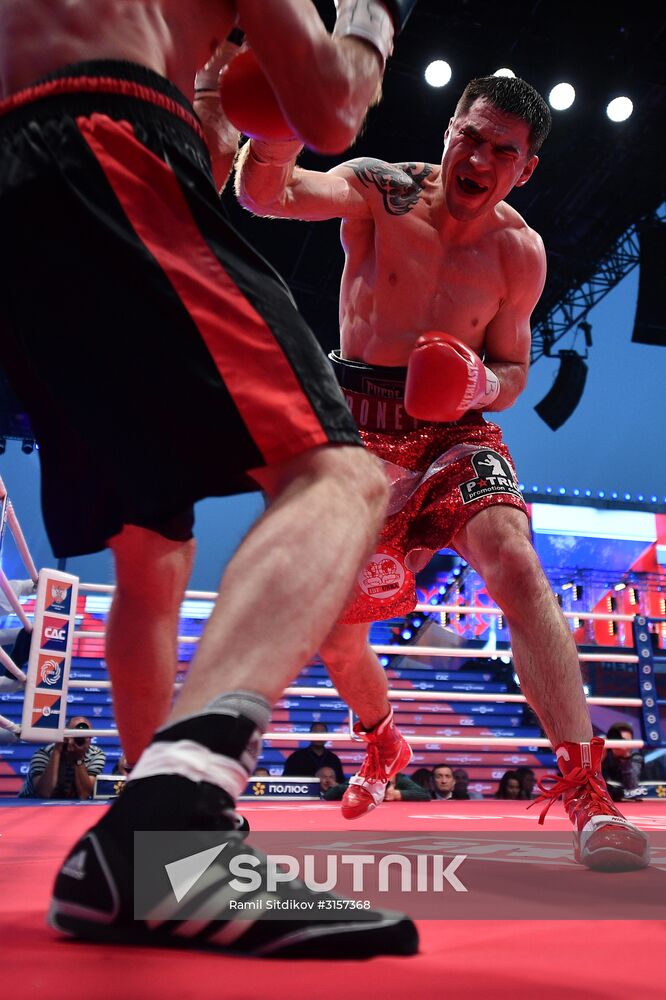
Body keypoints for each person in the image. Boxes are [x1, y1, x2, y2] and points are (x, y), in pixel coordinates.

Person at [0, 0, 421, 958]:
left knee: (151, 547)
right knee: (341, 480)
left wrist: (221, 100)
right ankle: (172, 833)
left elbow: (243, 146)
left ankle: (164, 858)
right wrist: (371, 18)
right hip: (95, 136)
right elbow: (327, 107)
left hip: (22, 171)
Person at [235, 72, 650, 871]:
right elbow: (271, 195)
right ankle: (382, 740)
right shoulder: (381, 191)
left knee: (517, 565)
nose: (480, 157)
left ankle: (590, 794)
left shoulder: (518, 253)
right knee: (337, 638)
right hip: (355, 424)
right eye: (472, 135)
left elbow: (516, 365)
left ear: (524, 168)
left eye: (504, 150)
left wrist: (482, 385)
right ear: (450, 127)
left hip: (455, 430)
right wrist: (280, 119)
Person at [19, 717, 106, 799]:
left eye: (86, 734)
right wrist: (57, 751)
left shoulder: (95, 754)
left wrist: (79, 758)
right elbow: (44, 793)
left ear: (91, 737)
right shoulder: (44, 754)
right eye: (76, 733)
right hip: (32, 803)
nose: (81, 738)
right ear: (66, 735)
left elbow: (84, 794)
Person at [602, 723, 647, 801]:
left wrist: (625, 758)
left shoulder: (636, 758)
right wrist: (600, 758)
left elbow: (632, 788)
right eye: (618, 739)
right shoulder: (604, 755)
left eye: (624, 741)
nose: (620, 743)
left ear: (631, 743)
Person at [324, 771, 430, 803]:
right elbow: (329, 795)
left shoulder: (398, 778)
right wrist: (361, 790)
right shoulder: (361, 777)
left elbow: (425, 795)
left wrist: (397, 794)